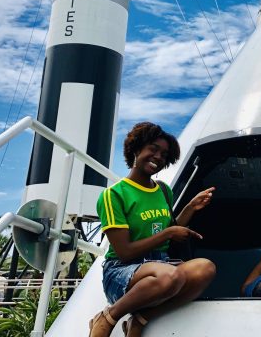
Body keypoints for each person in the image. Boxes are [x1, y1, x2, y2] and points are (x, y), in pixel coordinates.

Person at [89, 122, 217, 337]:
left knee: (206, 269)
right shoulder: (114, 195)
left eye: (164, 154)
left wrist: (190, 207)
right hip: (122, 270)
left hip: (161, 265)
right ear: (136, 148)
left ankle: (139, 320)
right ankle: (109, 316)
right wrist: (167, 234)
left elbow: (170, 232)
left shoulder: (164, 191)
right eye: (153, 149)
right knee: (169, 276)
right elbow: (125, 252)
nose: (158, 157)